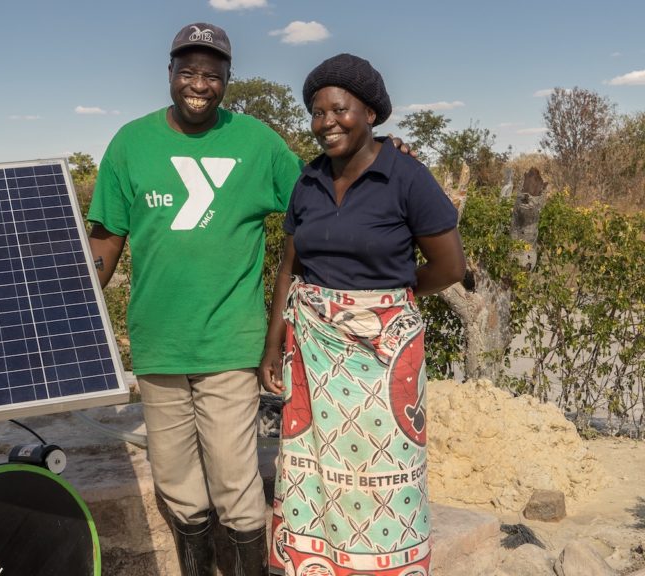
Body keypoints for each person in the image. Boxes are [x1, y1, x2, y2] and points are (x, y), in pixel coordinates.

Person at [88, 24, 412, 575]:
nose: (199, 85)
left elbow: (321, 191)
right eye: (187, 72)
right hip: (157, 341)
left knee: (235, 479)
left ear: (227, 82)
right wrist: (69, 300)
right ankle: (196, 561)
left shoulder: (256, 142)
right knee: (175, 480)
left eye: (212, 76)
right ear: (169, 74)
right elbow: (108, 237)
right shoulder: (130, 143)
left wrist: (383, 154)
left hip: (229, 340)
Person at [259, 53, 466, 576]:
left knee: (387, 470)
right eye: (316, 112)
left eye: (338, 109)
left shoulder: (405, 176)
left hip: (382, 353)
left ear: (371, 112)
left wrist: (386, 299)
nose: (326, 122)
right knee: (313, 471)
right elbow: (290, 267)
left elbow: (450, 265)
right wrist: (272, 344)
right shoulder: (308, 181)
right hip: (312, 352)